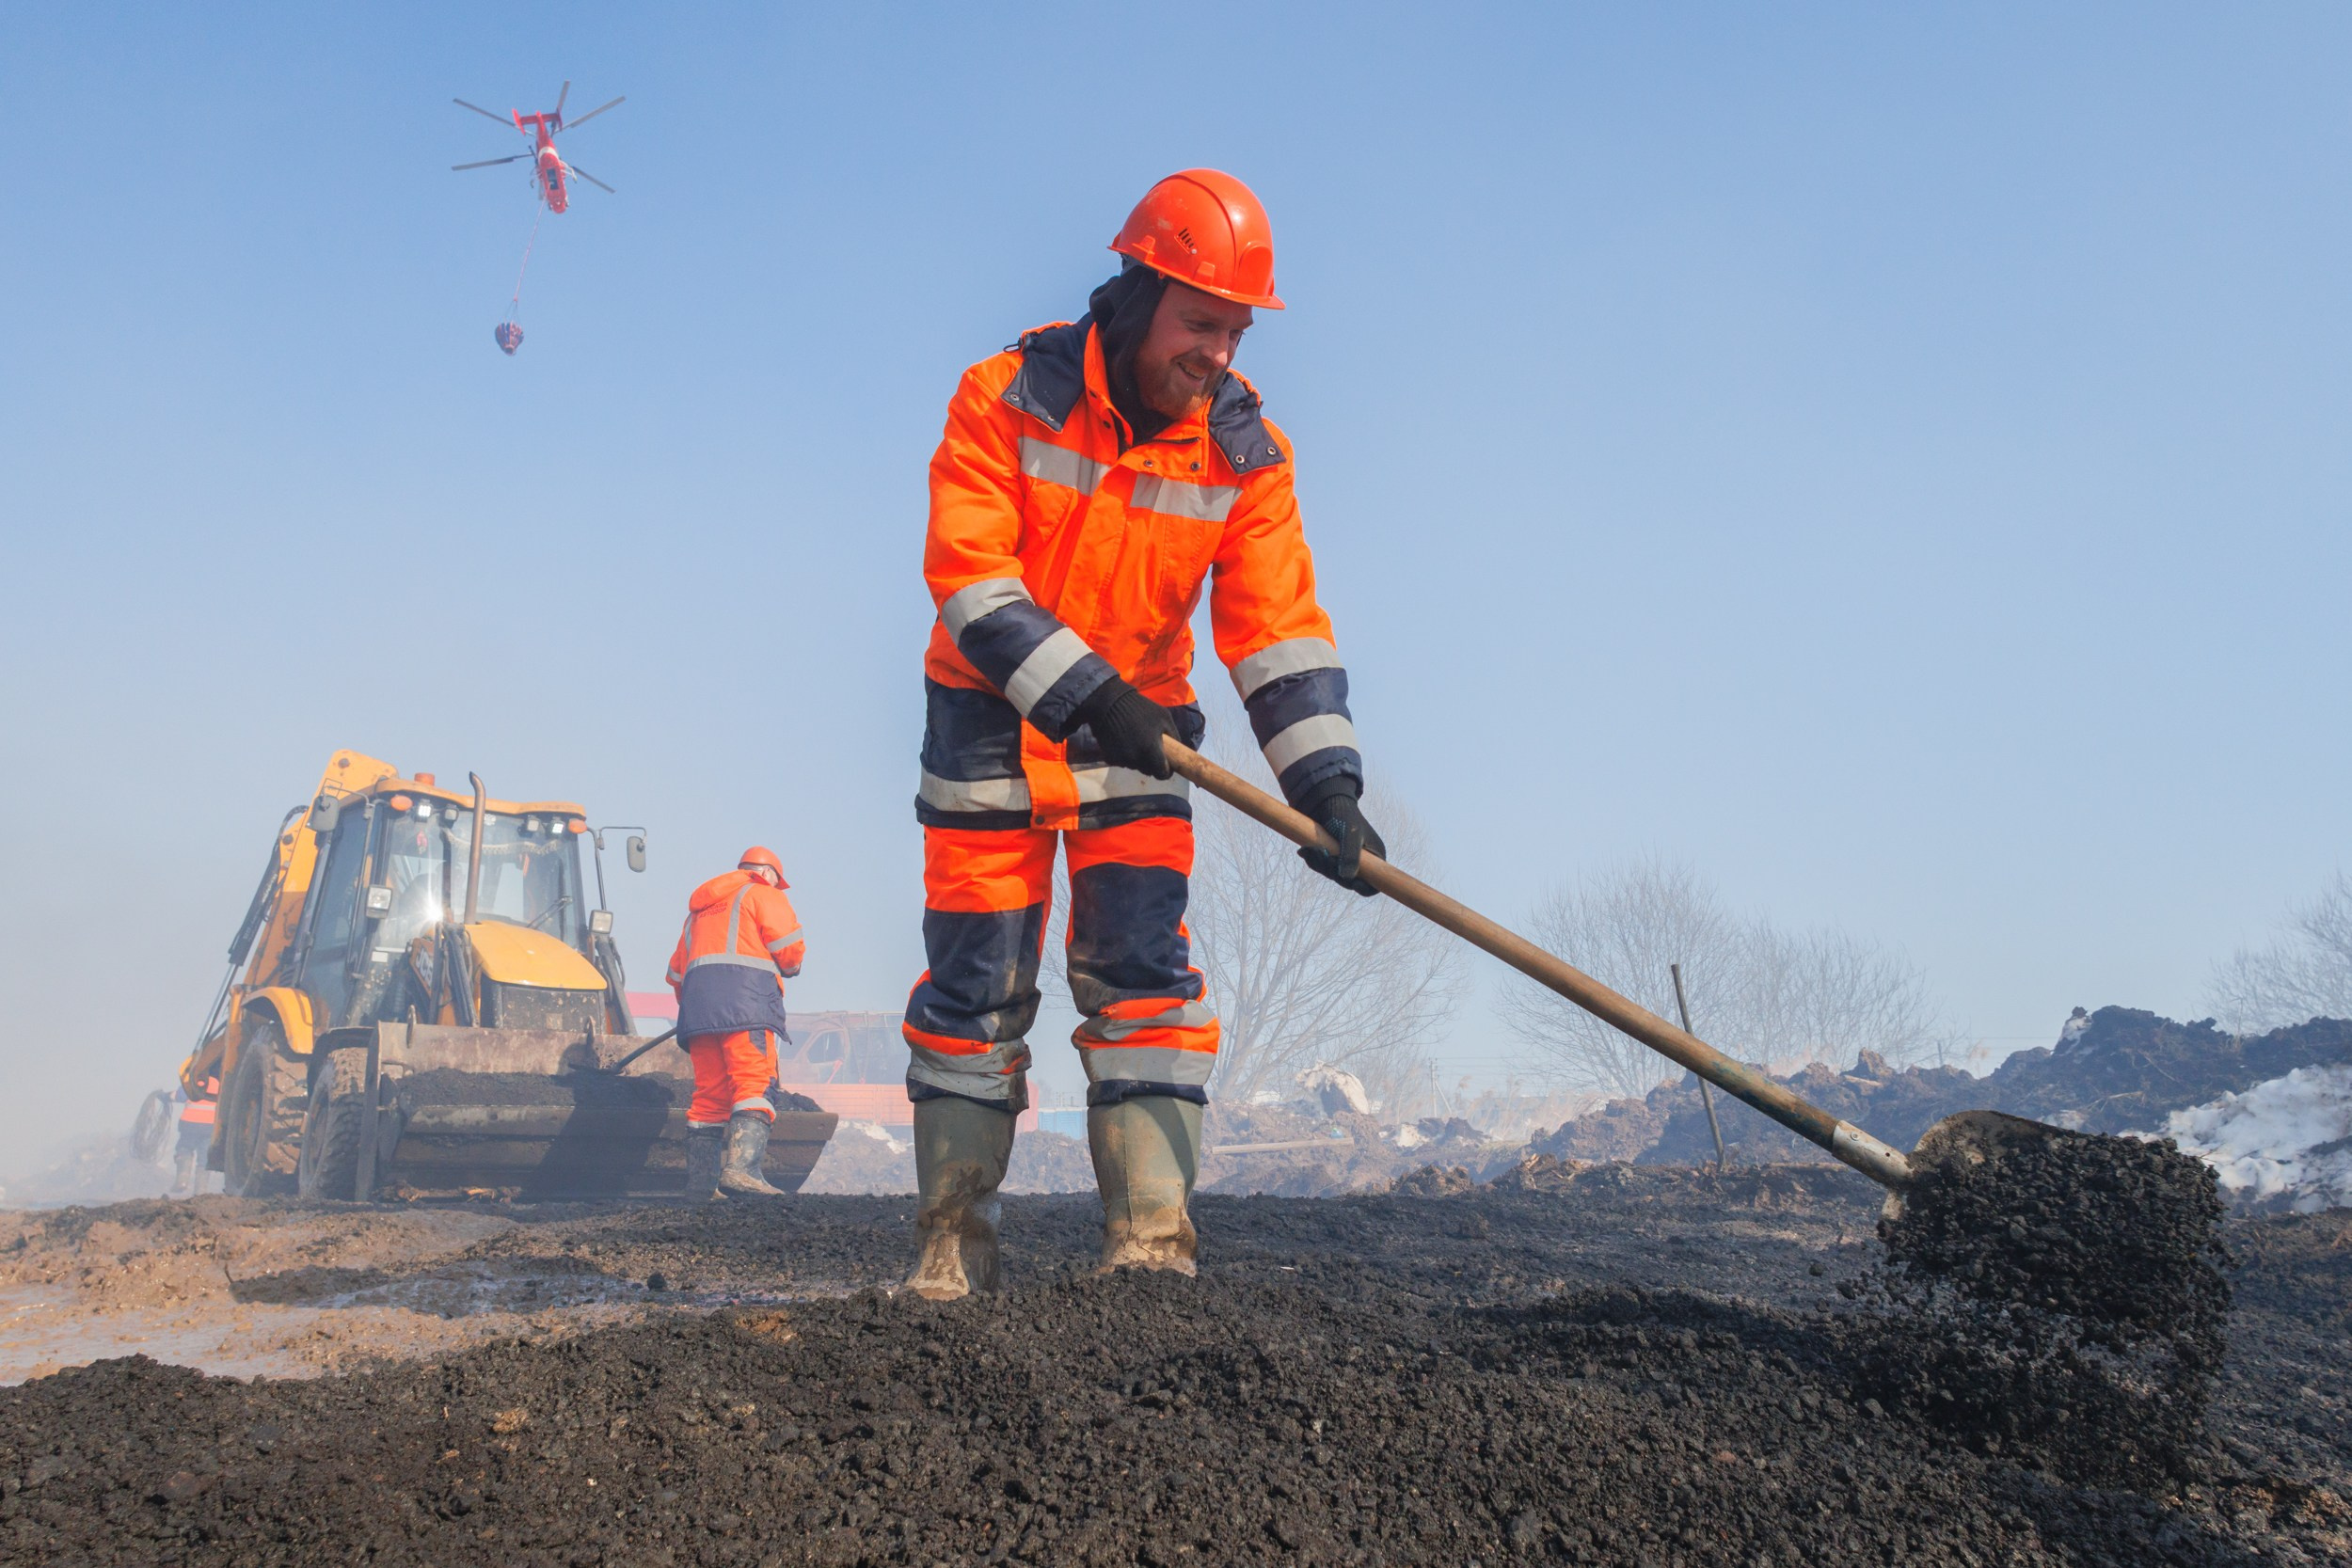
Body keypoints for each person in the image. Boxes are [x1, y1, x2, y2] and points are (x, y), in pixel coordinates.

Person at [904, 169, 1381, 1298]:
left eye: (1236, 331)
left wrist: (1328, 785)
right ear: (1135, 296)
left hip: (1143, 734)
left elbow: (1277, 631)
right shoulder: (1004, 395)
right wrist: (1088, 692)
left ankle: (1152, 1249)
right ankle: (952, 1249)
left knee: (1144, 980)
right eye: (1199, 322)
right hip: (988, 720)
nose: (1217, 351)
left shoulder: (1246, 454)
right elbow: (971, 582)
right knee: (975, 989)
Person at [665, 847, 806, 1199]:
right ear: (769, 874)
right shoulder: (762, 893)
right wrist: (790, 967)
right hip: (747, 1007)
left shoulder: (698, 912)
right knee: (754, 1082)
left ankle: (701, 1186)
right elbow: (789, 951)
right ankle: (742, 1172)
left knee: (708, 1096)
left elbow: (676, 974)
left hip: (699, 1014)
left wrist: (703, 1006)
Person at [171, 1073, 219, 1198]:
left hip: (189, 1124)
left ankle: (182, 1180)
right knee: (204, 1159)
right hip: (210, 1127)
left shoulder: (194, 1080)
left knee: (184, 1149)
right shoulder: (221, 1083)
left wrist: (165, 1096)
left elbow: (179, 1096)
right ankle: (201, 1191)